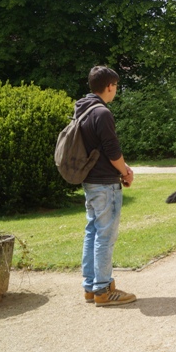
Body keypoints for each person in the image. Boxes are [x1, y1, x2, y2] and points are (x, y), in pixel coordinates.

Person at [77, 66, 136, 306]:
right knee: (105, 235)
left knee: (92, 232)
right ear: (109, 86)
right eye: (116, 86)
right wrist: (126, 172)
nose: (116, 91)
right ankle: (103, 290)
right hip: (105, 183)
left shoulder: (82, 108)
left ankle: (91, 286)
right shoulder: (102, 113)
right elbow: (112, 152)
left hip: (90, 180)